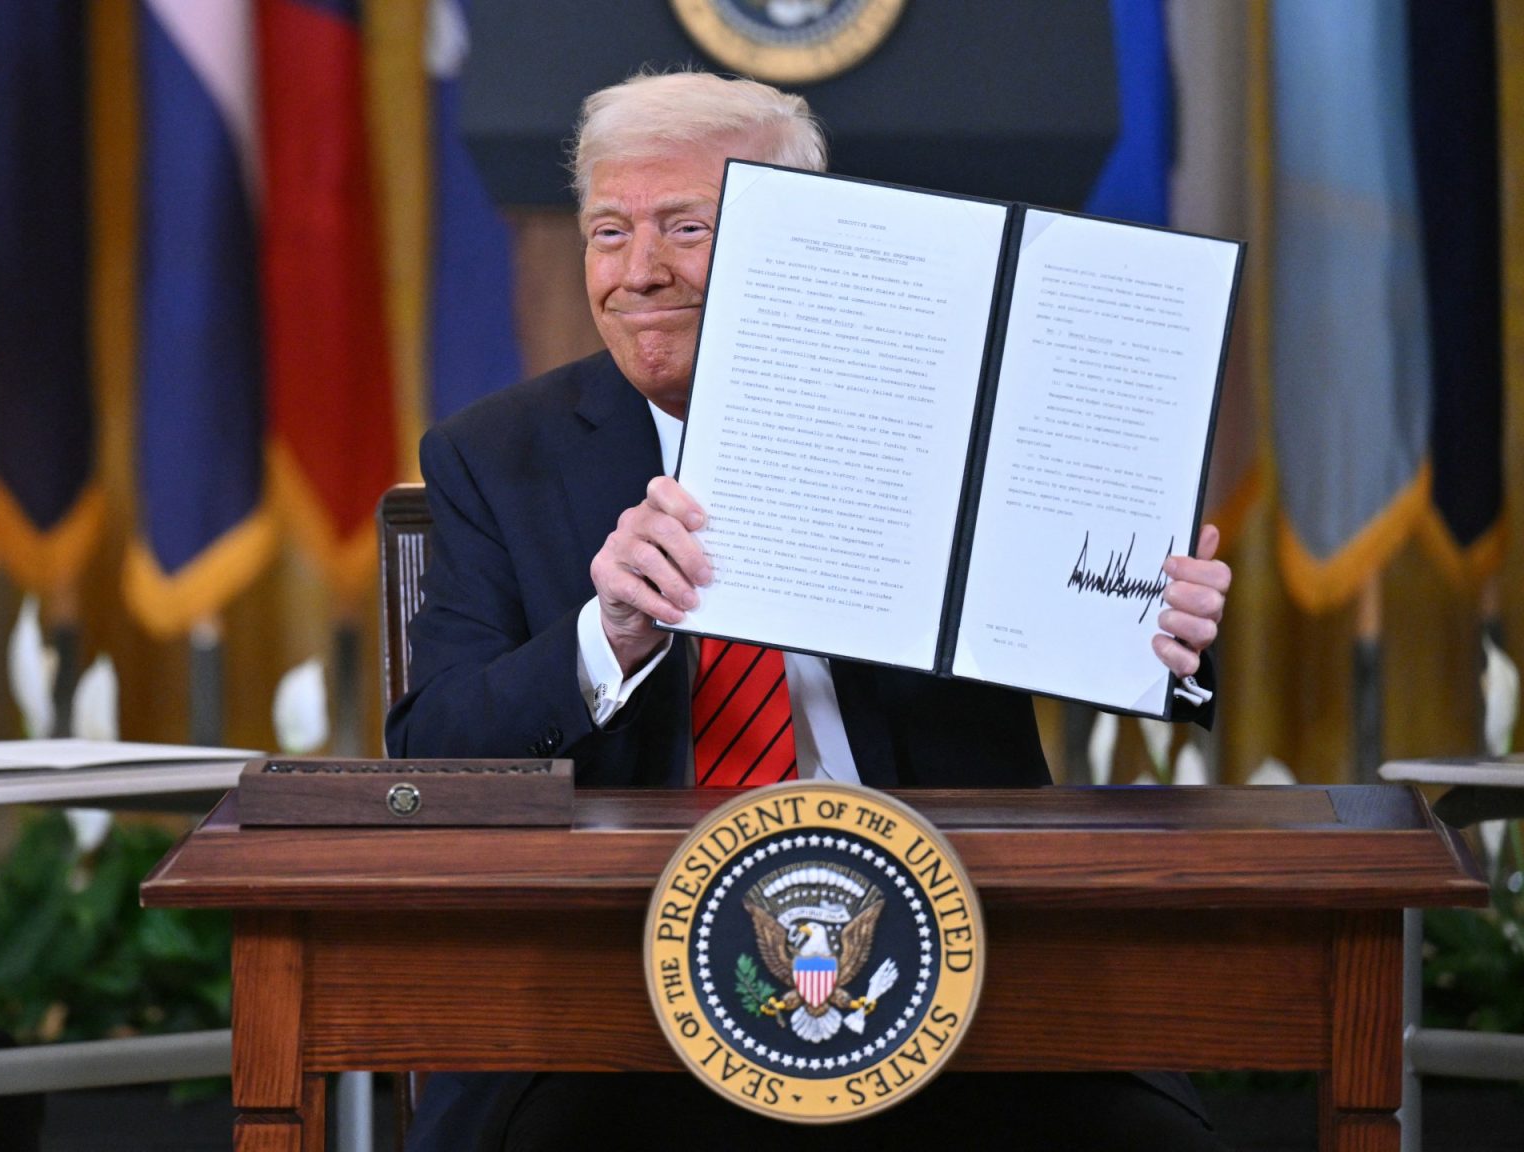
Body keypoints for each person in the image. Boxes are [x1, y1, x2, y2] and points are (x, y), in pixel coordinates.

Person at [388, 69, 1232, 1152]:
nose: (640, 272)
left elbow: (1122, 645)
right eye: (609, 232)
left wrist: (1164, 637)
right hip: (621, 963)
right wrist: (609, 635)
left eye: (687, 227)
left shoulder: (958, 408)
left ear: (804, 239)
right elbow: (433, 746)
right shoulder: (496, 455)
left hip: (951, 937)